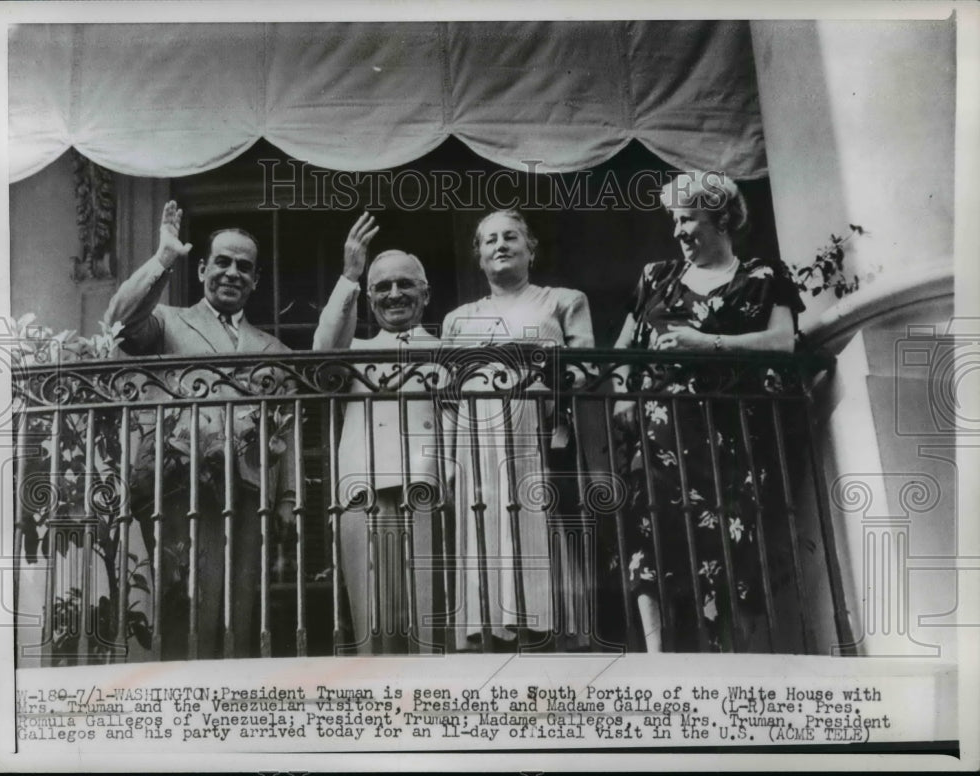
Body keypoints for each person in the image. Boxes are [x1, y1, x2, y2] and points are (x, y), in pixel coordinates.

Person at [611, 172, 804, 653]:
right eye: (674, 221)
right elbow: (622, 348)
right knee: (648, 529)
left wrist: (706, 343)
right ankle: (656, 655)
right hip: (659, 431)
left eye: (688, 219)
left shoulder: (764, 276)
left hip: (730, 429)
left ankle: (724, 648)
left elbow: (781, 342)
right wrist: (619, 395)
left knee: (726, 534)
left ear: (721, 219)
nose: (677, 231)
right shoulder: (658, 277)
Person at [104, 200, 296, 660]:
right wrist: (164, 256)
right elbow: (120, 321)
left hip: (249, 496)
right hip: (180, 492)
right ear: (203, 268)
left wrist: (287, 500)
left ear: (255, 280)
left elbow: (285, 427)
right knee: (184, 610)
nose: (232, 273)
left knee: (241, 612)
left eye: (244, 267)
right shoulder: (169, 321)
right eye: (223, 262)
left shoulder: (274, 348)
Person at [442, 209, 595, 651]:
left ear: (531, 249)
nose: (500, 246)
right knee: (485, 522)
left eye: (510, 237)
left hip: (538, 430)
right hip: (478, 439)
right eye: (489, 240)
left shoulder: (563, 301)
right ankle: (487, 629)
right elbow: (449, 392)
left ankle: (542, 629)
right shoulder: (458, 319)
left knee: (537, 522)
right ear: (479, 255)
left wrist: (539, 380)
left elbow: (585, 370)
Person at [313, 213, 443, 654]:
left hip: (430, 489)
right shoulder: (355, 351)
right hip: (363, 492)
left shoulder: (448, 347)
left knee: (428, 623)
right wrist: (349, 275)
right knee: (372, 625)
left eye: (405, 284)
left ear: (426, 293)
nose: (394, 294)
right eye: (382, 287)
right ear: (368, 299)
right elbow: (321, 357)